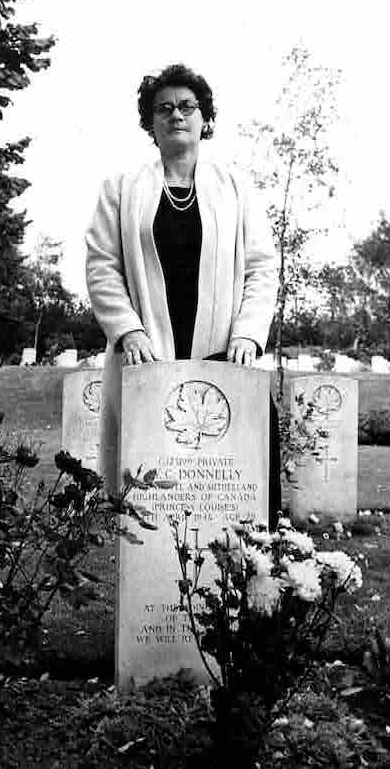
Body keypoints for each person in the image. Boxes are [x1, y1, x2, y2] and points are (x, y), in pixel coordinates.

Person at [86, 63, 280, 523]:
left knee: (236, 502)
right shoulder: (121, 189)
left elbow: (261, 266)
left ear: (204, 119)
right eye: (164, 108)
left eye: (187, 106)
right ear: (150, 123)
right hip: (147, 360)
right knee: (152, 507)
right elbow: (102, 266)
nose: (176, 115)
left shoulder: (236, 188)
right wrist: (128, 332)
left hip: (225, 358)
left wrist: (249, 334)